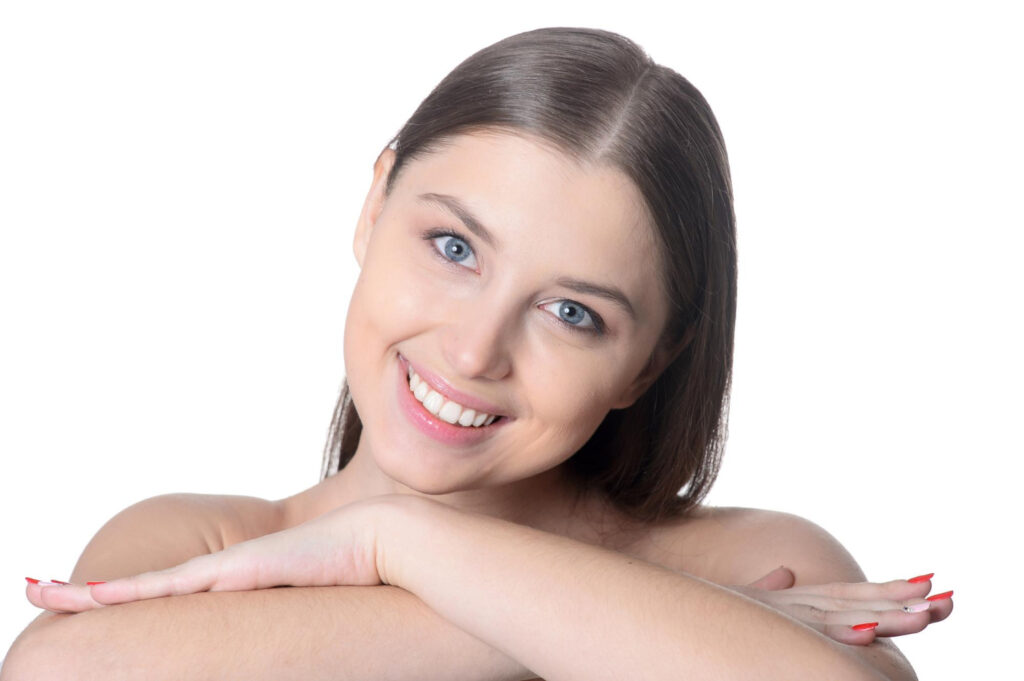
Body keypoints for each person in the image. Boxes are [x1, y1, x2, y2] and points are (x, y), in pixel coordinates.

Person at [3, 27, 952, 680]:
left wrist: (395, 540)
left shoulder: (760, 560)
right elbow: (54, 670)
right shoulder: (202, 545)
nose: (473, 348)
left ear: (651, 363)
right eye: (454, 248)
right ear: (375, 206)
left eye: (573, 312)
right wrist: (664, 619)